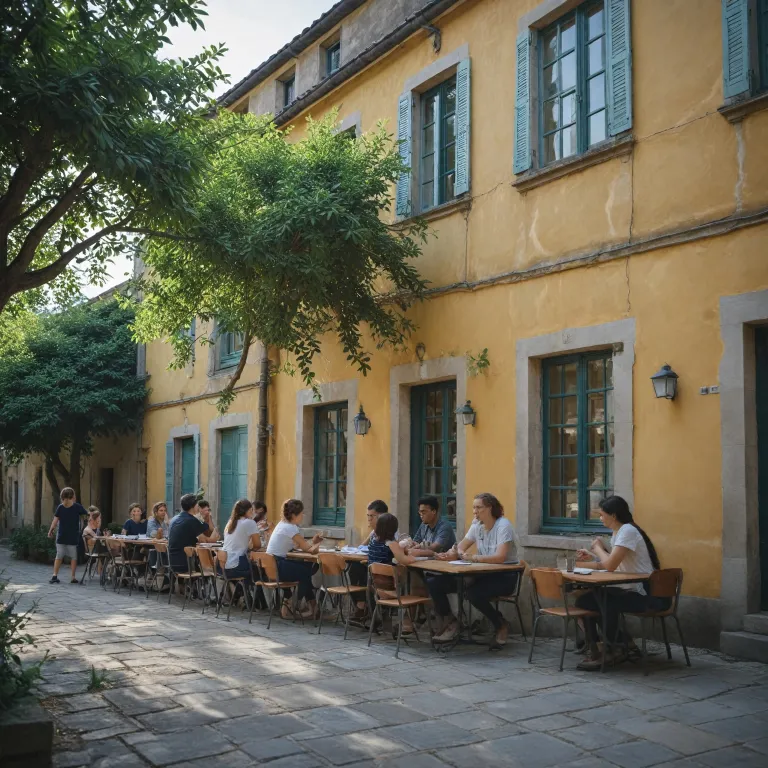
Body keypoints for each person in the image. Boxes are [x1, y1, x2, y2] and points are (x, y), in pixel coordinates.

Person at [574, 495, 666, 671]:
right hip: (629, 589)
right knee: (586, 601)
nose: (600, 518)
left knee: (604, 601)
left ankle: (612, 649)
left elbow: (609, 565)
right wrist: (591, 556)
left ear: (614, 515)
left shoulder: (627, 531)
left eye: (602, 515)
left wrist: (598, 548)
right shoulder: (619, 532)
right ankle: (612, 645)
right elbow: (613, 563)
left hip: (644, 592)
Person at [429, 493, 521, 648]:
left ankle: (500, 624)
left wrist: (473, 558)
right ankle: (452, 621)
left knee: (473, 594)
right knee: (435, 582)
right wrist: (451, 554)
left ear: (490, 508)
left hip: (505, 575)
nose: (475, 511)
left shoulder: (503, 525)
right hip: (480, 573)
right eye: (474, 507)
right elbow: (460, 547)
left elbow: (500, 557)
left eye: (479, 507)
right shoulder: (477, 525)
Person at [266, 499, 323, 619]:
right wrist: (317, 544)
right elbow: (310, 550)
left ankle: (312, 608)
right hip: (278, 566)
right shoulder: (290, 528)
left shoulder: (281, 525)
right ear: (293, 515)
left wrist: (312, 543)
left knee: (306, 570)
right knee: (307, 571)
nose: (303, 516)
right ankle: (291, 605)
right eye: (301, 513)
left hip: (271, 566)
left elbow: (298, 545)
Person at [168, 493, 217, 574]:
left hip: (173, 563)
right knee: (210, 564)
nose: (198, 507)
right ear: (193, 506)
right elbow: (206, 535)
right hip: (186, 564)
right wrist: (202, 516)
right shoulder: (191, 520)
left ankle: (184, 585)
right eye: (197, 504)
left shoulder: (174, 519)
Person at [47, 487, 88, 584]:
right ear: (73, 497)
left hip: (62, 536)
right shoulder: (77, 507)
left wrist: (50, 531)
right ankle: (72, 577)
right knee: (73, 557)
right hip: (72, 536)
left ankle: (54, 575)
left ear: (62, 497)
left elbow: (55, 520)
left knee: (59, 556)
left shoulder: (60, 507)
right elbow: (86, 514)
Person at [222, 498, 261, 583]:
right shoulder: (249, 522)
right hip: (236, 566)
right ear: (246, 510)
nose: (253, 512)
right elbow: (257, 545)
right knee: (260, 570)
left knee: (253, 569)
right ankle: (255, 596)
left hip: (223, 566)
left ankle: (240, 592)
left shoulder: (230, 523)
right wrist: (250, 550)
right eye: (251, 510)